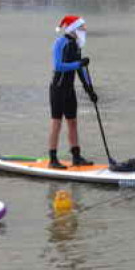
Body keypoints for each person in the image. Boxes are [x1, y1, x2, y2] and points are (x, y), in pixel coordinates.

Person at [48, 15, 96, 169]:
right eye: (82, 27)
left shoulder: (76, 45)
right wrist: (78, 63)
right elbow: (58, 66)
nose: (84, 30)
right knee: (57, 123)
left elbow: (81, 69)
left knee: (73, 122)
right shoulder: (60, 43)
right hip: (57, 88)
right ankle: (53, 159)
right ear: (73, 29)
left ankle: (76, 157)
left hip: (69, 89)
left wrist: (90, 89)